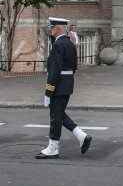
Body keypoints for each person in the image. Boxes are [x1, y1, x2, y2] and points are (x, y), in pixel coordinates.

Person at [36, 18, 91, 159]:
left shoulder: (58, 45)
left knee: (55, 116)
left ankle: (53, 148)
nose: (51, 29)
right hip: (67, 83)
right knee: (59, 113)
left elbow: (54, 70)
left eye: (52, 27)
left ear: (58, 29)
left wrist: (48, 91)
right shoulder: (71, 44)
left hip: (58, 85)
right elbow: (73, 67)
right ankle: (81, 136)